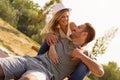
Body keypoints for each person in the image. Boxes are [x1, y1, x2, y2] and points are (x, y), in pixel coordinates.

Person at [0, 23, 104, 80]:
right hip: (29, 60)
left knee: (28, 79)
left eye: (79, 27)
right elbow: (49, 36)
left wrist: (81, 56)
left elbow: (100, 71)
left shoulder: (85, 53)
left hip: (45, 73)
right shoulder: (64, 37)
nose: (75, 28)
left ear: (84, 34)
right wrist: (49, 38)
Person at [38, 3, 90, 80]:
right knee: (48, 39)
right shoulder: (56, 29)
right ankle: (37, 61)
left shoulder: (72, 25)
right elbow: (51, 40)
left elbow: (80, 41)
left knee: (84, 66)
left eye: (67, 16)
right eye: (62, 17)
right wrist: (52, 48)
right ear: (57, 18)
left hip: (77, 53)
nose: (65, 19)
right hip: (65, 55)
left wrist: (80, 52)